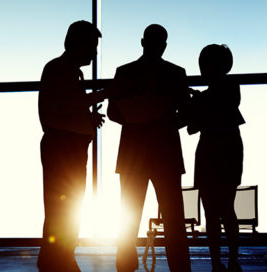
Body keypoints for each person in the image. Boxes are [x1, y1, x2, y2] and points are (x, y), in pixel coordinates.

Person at [109, 24, 191, 272]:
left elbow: (113, 112)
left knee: (128, 216)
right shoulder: (176, 74)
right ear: (164, 46)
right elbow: (186, 114)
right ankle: (180, 267)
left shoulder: (124, 72)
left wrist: (136, 118)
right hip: (166, 153)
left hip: (132, 154)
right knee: (173, 218)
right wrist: (162, 121)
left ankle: (125, 265)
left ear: (142, 42)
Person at [36, 20, 107, 272]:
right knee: (64, 208)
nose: (94, 52)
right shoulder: (60, 69)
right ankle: (57, 260)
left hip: (69, 147)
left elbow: (64, 107)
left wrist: (87, 118)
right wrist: (104, 93)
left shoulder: (66, 70)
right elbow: (67, 105)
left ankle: (59, 258)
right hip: (64, 148)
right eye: (92, 46)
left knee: (65, 208)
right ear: (77, 44)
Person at [187, 44, 244, 271]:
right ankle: (232, 260)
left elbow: (192, 127)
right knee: (226, 209)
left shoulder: (212, 95)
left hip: (209, 151)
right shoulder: (231, 88)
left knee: (212, 212)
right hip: (228, 150)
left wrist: (196, 101)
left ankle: (217, 263)